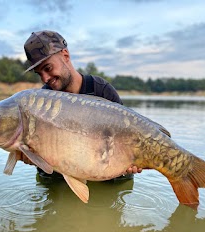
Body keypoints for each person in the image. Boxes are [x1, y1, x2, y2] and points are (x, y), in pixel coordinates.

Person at [23, 30, 142, 180]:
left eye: (48, 68)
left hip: (105, 175)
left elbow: (128, 137)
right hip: (60, 177)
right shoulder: (42, 101)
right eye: (39, 74)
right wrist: (32, 157)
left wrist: (130, 162)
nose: (45, 78)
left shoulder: (101, 90)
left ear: (65, 56)